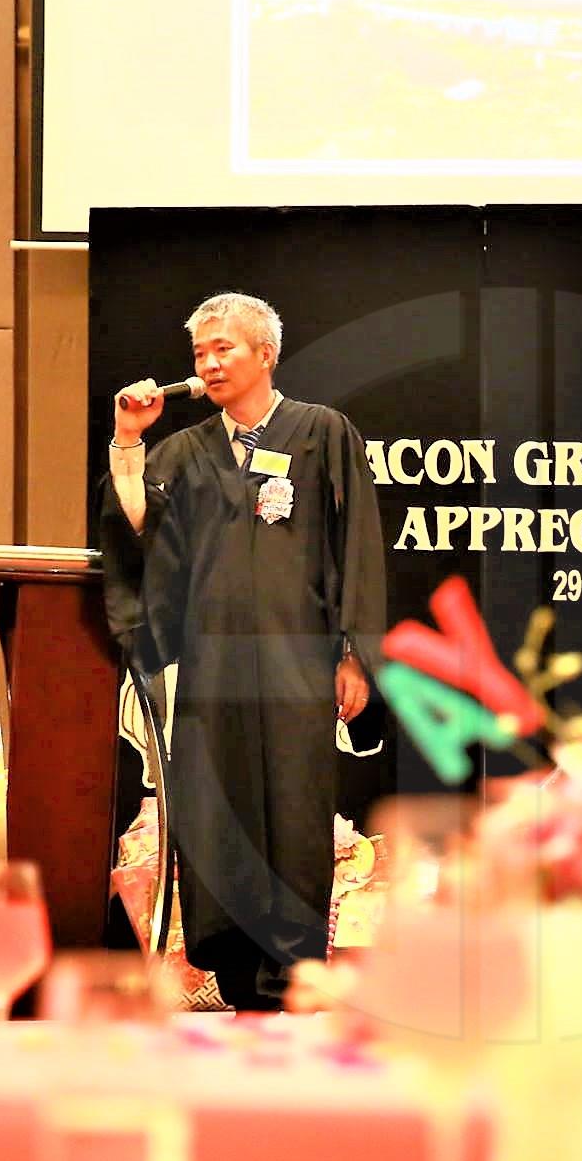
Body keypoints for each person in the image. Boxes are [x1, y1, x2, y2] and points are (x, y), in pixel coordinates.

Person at [100, 293, 386, 1011]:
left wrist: (354, 652)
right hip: (213, 665)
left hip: (299, 660)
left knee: (293, 810)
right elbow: (135, 528)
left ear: (266, 353)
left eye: (223, 347)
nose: (208, 363)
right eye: (199, 353)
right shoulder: (184, 452)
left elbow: (357, 544)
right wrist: (128, 441)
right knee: (217, 811)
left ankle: (290, 978)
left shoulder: (322, 432)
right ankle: (234, 975)